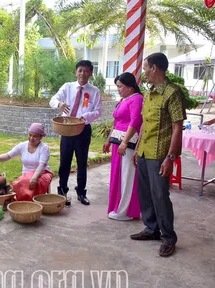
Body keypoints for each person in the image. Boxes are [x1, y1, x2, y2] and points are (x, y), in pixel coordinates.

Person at [131, 53, 185, 257]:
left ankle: (168, 237)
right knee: (145, 193)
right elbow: (145, 122)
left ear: (154, 68)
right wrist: (137, 149)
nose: (144, 72)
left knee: (161, 196)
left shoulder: (172, 93)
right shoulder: (149, 93)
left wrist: (170, 158)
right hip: (145, 151)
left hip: (161, 154)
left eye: (145, 68)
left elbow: (177, 127)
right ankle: (151, 229)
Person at [49, 60, 102, 206]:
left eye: (86, 71)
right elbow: (53, 99)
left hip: (83, 129)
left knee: (82, 162)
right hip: (67, 128)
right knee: (64, 161)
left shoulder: (94, 91)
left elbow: (98, 111)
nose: (82, 74)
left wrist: (85, 117)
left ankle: (81, 192)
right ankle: (62, 191)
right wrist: (59, 104)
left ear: (91, 73)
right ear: (76, 72)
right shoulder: (68, 87)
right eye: (80, 70)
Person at [103, 72, 143, 221]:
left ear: (130, 87)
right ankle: (117, 207)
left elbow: (135, 121)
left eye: (120, 86)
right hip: (118, 142)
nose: (118, 89)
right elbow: (117, 122)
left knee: (127, 176)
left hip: (127, 143)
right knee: (117, 175)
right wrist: (108, 140)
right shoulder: (124, 100)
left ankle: (124, 210)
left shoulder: (137, 99)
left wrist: (125, 142)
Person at [0, 123, 54, 201]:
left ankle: (35, 200)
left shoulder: (44, 148)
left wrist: (34, 178)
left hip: (42, 173)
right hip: (26, 175)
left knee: (32, 181)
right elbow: (8, 155)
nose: (31, 138)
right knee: (22, 181)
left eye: (35, 136)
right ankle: (26, 201)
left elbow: (42, 165)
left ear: (41, 137)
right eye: (30, 135)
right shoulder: (22, 146)